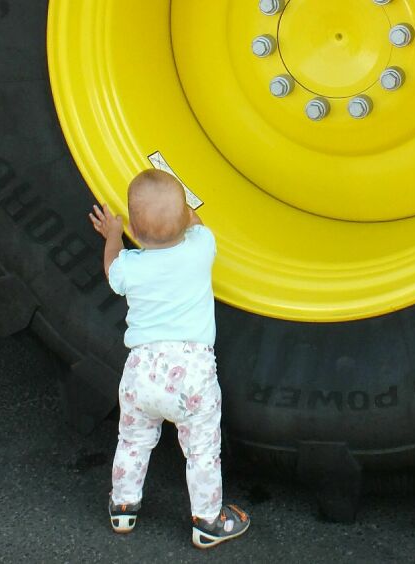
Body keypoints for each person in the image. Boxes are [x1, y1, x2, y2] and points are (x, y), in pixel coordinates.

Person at [88, 169, 249, 549]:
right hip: (191, 374)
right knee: (202, 450)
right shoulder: (200, 248)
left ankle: (124, 506)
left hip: (141, 372)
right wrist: (189, 211)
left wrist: (113, 236)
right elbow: (198, 223)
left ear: (135, 231)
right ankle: (208, 521)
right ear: (185, 219)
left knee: (132, 439)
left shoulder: (131, 265)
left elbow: (112, 271)